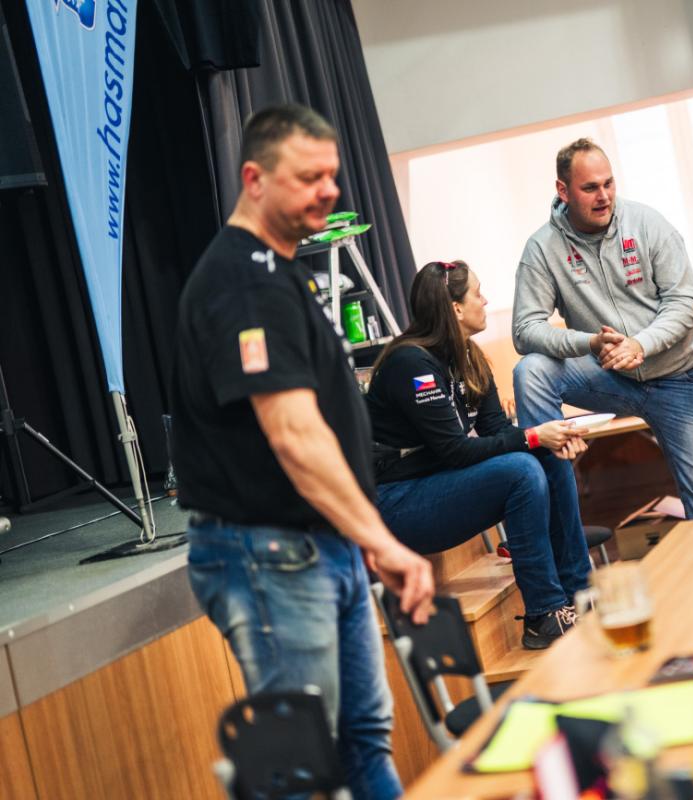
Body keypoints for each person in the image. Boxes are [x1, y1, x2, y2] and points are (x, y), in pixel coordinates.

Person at [171, 104, 434, 799]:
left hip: (325, 546)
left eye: (332, 176)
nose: (329, 191)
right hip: (270, 554)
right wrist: (381, 539)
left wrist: (358, 535)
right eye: (308, 177)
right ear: (254, 179)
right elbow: (293, 434)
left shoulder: (282, 269)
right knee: (298, 772)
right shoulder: (242, 282)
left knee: (363, 743)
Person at [367, 260, 593, 649]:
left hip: (435, 484)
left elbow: (498, 431)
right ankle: (543, 613)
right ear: (456, 308)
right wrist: (534, 436)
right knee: (522, 469)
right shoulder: (411, 363)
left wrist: (549, 439)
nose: (485, 301)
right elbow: (455, 451)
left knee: (546, 458)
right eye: (477, 293)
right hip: (396, 503)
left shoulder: (468, 355)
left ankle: (578, 595)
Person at [511, 138, 693, 519]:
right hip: (609, 377)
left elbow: (685, 302)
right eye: (590, 188)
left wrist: (640, 344)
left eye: (609, 183)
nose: (604, 196)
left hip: (678, 379)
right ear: (563, 190)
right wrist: (589, 342)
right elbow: (525, 329)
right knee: (532, 371)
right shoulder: (543, 248)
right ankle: (553, 508)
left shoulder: (648, 224)